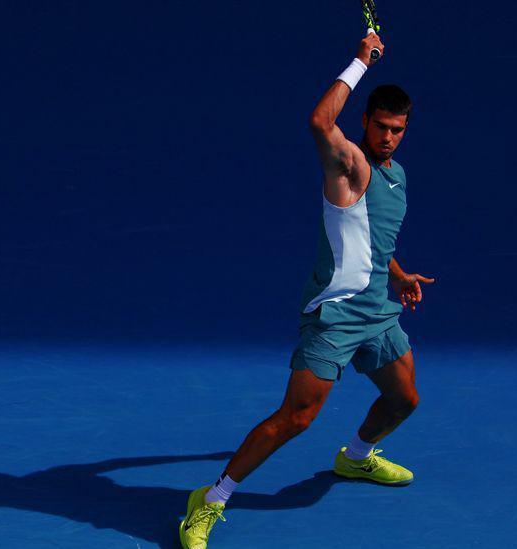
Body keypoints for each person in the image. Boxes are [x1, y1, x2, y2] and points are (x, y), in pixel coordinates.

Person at [179, 30, 435, 548]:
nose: (388, 138)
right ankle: (209, 500)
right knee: (296, 418)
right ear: (365, 121)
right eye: (381, 127)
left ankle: (355, 458)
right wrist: (361, 61)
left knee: (404, 398)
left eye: (398, 130)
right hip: (336, 315)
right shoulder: (349, 166)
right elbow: (319, 122)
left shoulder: (398, 177)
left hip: (379, 310)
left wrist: (398, 275)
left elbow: (375, 240)